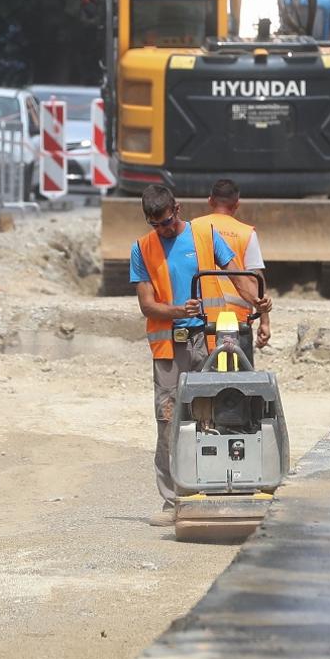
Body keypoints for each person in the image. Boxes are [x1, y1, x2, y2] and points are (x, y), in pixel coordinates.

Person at [131, 183, 269, 526]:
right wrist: (178, 310)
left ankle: (219, 490)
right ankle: (173, 502)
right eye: (154, 225)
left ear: (176, 209)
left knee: (217, 412)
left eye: (164, 222)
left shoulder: (205, 235)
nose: (161, 230)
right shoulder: (142, 249)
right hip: (169, 347)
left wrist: (260, 304)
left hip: (208, 340)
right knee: (168, 420)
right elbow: (146, 304)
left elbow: (240, 277)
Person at [191, 178, 270, 351]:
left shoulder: (194, 227)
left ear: (210, 200)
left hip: (202, 317)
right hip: (238, 318)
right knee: (240, 373)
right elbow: (256, 279)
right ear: (237, 204)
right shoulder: (246, 233)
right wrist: (264, 321)